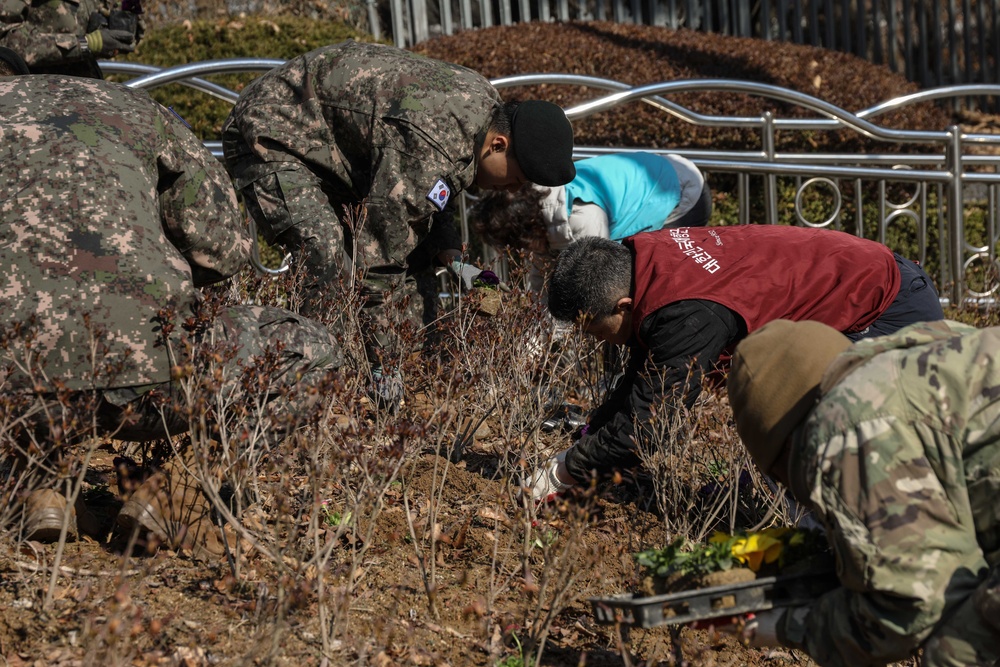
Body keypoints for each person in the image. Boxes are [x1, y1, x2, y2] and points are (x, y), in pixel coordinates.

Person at [0, 75, 345, 558]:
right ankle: (177, 492)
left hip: (15, 394)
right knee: (310, 348)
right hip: (147, 384)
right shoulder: (133, 106)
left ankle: (35, 490)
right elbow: (222, 248)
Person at [222, 39, 576, 388]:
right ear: (499, 145)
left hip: (334, 150)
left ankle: (412, 376)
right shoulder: (433, 145)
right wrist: (385, 365)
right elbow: (378, 263)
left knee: (414, 255)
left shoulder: (483, 116)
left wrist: (455, 259)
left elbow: (436, 191)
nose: (512, 190)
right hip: (273, 132)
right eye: (515, 179)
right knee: (326, 256)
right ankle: (322, 390)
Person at [523, 225, 945, 501]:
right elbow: (642, 378)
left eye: (596, 331)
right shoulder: (643, 255)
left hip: (885, 305)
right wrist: (589, 441)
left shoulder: (690, 313)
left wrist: (566, 469)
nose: (595, 342)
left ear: (623, 305)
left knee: (836, 425)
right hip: (859, 271)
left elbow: (649, 425)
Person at [720, 318, 1000, 667]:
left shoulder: (845, 421)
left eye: (784, 478)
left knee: (953, 654)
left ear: (788, 448)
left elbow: (917, 602)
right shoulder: (928, 344)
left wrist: (787, 627)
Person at [472, 151, 711, 292]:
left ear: (522, 232)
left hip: (680, 192)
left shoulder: (583, 218)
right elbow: (543, 278)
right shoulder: (541, 206)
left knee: (643, 288)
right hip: (658, 172)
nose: (517, 250)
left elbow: (596, 285)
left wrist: (551, 341)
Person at [0, 0, 144, 79]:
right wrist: (87, 44)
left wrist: (124, 26)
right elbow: (7, 43)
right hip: (36, 98)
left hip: (87, 97)